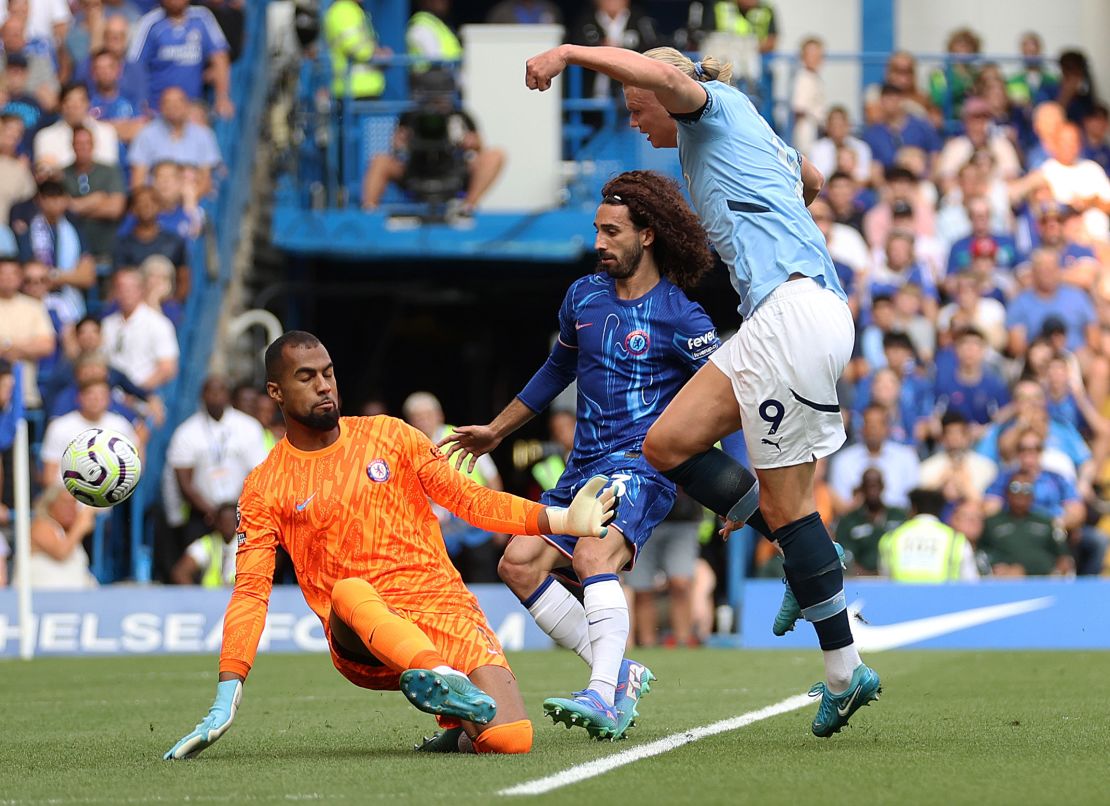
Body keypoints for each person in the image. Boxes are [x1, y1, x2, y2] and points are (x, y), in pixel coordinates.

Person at [524, 43, 879, 737]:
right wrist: (769, 216)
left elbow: (663, 75)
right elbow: (806, 175)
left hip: (792, 316)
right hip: (796, 317)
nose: (635, 119)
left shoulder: (703, 110)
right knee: (670, 441)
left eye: (636, 105)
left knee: (786, 505)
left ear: (670, 90)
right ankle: (811, 567)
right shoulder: (744, 124)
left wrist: (567, 51)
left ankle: (834, 640)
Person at [163, 331, 616, 760]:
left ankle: (456, 724)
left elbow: (469, 499)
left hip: (443, 607)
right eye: (306, 377)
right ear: (276, 392)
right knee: (349, 589)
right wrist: (227, 695)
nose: (324, 386)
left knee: (510, 739)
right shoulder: (265, 485)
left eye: (328, 372)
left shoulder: (391, 435)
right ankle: (440, 676)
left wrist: (559, 519)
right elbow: (250, 592)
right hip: (363, 634)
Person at [440, 172, 716, 739]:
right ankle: (617, 675)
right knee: (516, 564)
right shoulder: (583, 296)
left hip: (641, 467)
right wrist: (497, 430)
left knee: (593, 556)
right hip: (582, 467)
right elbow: (555, 371)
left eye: (611, 231)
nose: (598, 242)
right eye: (597, 229)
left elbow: (725, 398)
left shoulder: (682, 316)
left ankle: (603, 696)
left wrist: (736, 490)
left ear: (648, 235)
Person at [161, 375, 267, 581]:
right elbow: (184, 481)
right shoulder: (187, 431)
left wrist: (235, 510)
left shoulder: (248, 427)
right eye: (211, 391)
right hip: (203, 513)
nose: (216, 396)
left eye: (220, 390)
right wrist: (212, 512)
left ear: (228, 395)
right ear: (202, 396)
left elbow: (257, 474)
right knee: (193, 559)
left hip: (243, 512)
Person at [360, 69, 505, 217]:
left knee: (495, 155)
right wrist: (401, 142)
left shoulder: (460, 116)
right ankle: (369, 211)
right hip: (416, 171)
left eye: (441, 98)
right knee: (379, 160)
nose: (437, 103)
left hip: (453, 171)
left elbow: (480, 147)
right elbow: (396, 149)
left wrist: (469, 142)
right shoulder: (410, 116)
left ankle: (468, 207)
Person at [128, 0, 233, 117]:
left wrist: (222, 97)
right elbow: (133, 64)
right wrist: (141, 103)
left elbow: (220, 57)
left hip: (192, 108)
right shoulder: (150, 23)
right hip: (156, 110)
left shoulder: (202, 17)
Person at [39, 376, 143, 487]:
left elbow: (134, 465)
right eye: (90, 394)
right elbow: (49, 476)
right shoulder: (60, 426)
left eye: (101, 395)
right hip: (66, 493)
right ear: (79, 397)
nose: (96, 399)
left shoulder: (120, 425)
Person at [128, 87, 221, 196]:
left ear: (187, 106)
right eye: (168, 102)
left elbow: (205, 181)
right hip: (156, 201)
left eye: (178, 101)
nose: (173, 106)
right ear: (160, 107)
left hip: (190, 200)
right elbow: (137, 180)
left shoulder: (204, 135)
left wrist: (186, 206)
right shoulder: (146, 134)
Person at [99, 266, 179, 389]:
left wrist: (138, 392)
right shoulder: (107, 324)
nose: (126, 293)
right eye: (121, 288)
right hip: (110, 395)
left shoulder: (158, 323)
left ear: (141, 290)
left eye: (131, 288)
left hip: (143, 397)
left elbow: (167, 368)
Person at [980, 473, 1073, 577]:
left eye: (1027, 489)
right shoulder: (992, 523)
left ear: (1033, 495)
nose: (1020, 493)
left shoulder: (1045, 522)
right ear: (1006, 493)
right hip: (1005, 582)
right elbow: (981, 552)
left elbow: (1063, 557)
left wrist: (1057, 571)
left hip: (1042, 582)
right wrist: (997, 566)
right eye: (1015, 487)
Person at [878, 488, 979, 582]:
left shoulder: (891, 538)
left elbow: (886, 580)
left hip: (902, 599)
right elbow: (971, 583)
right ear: (939, 510)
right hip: (944, 599)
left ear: (913, 509)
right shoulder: (956, 540)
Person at [61, 126, 126, 265]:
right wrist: (96, 199)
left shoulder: (110, 171)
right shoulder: (62, 174)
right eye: (78, 143)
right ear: (71, 145)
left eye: (86, 143)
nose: (82, 147)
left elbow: (115, 209)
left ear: (93, 145)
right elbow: (62, 210)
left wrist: (76, 207)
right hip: (74, 252)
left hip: (106, 250)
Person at [834, 469, 906, 575]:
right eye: (868, 486)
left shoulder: (898, 516)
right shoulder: (849, 521)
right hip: (861, 580)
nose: (872, 491)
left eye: (876, 485)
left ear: (883, 487)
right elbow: (844, 556)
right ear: (862, 489)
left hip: (893, 579)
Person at [24, 486, 98, 589]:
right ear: (50, 506)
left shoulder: (69, 532)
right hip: (43, 599)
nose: (71, 508)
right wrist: (80, 526)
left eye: (74, 503)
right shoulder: (40, 525)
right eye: (65, 503)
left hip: (75, 598)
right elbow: (61, 552)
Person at [170, 501, 238, 586]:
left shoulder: (247, 545)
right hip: (210, 597)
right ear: (217, 523)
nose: (228, 525)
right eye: (224, 521)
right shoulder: (207, 543)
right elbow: (180, 573)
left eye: (231, 521)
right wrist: (196, 596)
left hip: (239, 597)